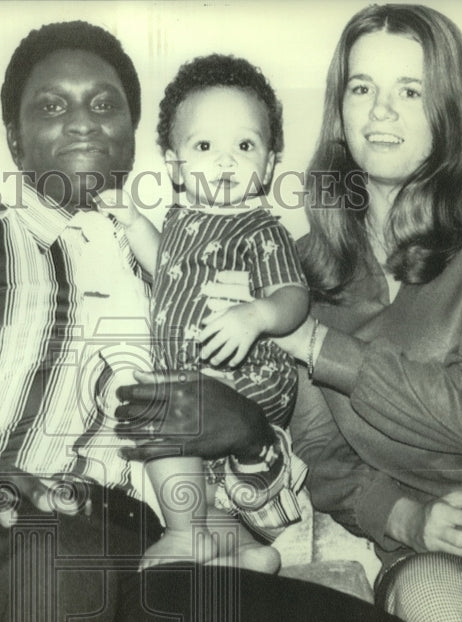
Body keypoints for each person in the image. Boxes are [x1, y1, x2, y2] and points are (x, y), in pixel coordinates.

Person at [0, 19, 441, 622]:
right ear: (13, 136)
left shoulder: (174, 276)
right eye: (51, 105)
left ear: (134, 135)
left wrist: (245, 431)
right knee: (46, 566)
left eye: (105, 105)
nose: (81, 122)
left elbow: (273, 511)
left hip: (133, 556)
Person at [124, 4, 462, 622]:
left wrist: (312, 340)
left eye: (409, 90)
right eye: (362, 88)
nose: (381, 111)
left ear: (444, 107)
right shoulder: (295, 272)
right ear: (339, 107)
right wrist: (408, 518)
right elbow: (323, 457)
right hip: (425, 544)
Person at [97, 54, 311, 574]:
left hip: (247, 376)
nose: (225, 162)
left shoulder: (261, 230)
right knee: (185, 469)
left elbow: (293, 297)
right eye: (204, 146)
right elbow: (162, 265)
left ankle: (183, 534)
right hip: (196, 376)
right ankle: (242, 550)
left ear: (268, 164)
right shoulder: (179, 221)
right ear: (173, 165)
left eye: (245, 146)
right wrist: (132, 221)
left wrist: (257, 315)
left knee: (159, 413)